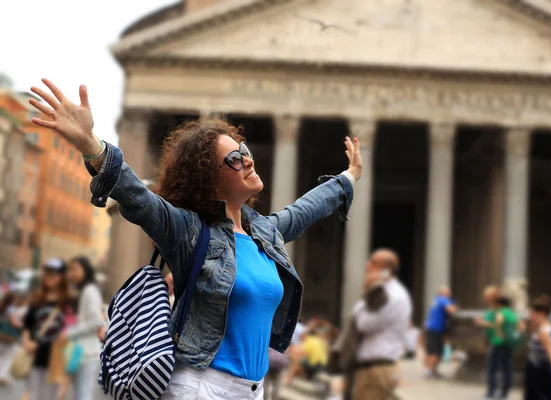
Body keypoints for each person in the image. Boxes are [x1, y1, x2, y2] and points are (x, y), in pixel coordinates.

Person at [29, 78, 361, 400]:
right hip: (201, 387)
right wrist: (90, 144)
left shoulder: (265, 234)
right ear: (209, 178)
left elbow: (305, 210)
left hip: (252, 389)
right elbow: (138, 199)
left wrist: (348, 177)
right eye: (234, 159)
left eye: (244, 151)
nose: (247, 160)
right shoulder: (189, 232)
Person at [351, 248, 412, 400]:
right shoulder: (388, 292)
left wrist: (366, 291)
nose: (367, 266)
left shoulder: (392, 295)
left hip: (376, 370)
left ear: (386, 270)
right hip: (373, 367)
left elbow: (363, 323)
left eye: (373, 263)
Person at [21, 258, 71, 400]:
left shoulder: (68, 301)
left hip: (56, 358)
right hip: (35, 356)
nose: (49, 277)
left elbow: (73, 331)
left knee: (52, 396)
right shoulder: (38, 298)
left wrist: (67, 375)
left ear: (62, 277)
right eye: (47, 273)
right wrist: (26, 343)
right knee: (33, 396)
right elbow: (27, 324)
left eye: (53, 273)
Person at [64, 256, 104, 400]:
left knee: (83, 394)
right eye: (70, 270)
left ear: (85, 270)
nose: (71, 273)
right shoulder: (81, 291)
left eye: (75, 269)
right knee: (77, 393)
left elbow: (96, 321)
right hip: (78, 351)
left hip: (87, 353)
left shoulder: (90, 291)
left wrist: (69, 332)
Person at [423, 286, 457, 378]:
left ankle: (429, 370)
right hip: (436, 329)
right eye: (447, 292)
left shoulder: (436, 300)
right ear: (442, 293)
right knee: (436, 352)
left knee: (430, 351)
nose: (449, 294)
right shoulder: (443, 300)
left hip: (430, 327)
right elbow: (452, 310)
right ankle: (430, 370)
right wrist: (455, 307)